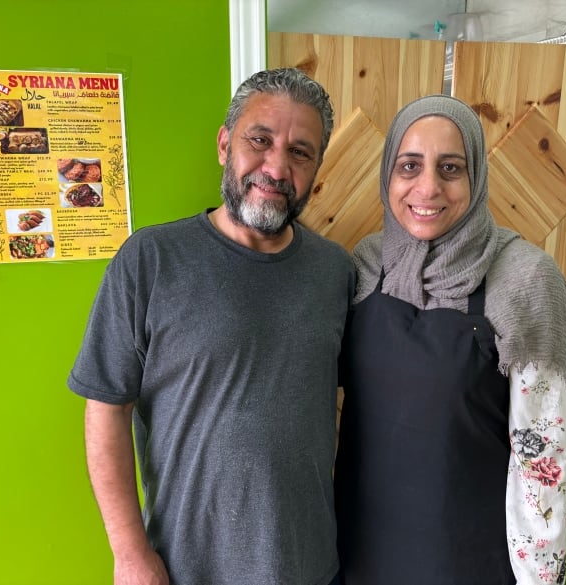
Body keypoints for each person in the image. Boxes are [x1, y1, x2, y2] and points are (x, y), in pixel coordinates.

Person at [67, 67, 354, 585]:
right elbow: (105, 411)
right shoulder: (150, 261)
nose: (276, 166)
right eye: (259, 140)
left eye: (299, 152)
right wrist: (130, 555)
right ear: (225, 144)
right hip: (186, 568)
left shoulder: (336, 272)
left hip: (311, 567)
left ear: (316, 168)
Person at [333, 95, 566, 585]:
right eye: (409, 166)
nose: (428, 187)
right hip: (359, 548)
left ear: (476, 178)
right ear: (388, 176)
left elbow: (543, 460)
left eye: (451, 168)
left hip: (467, 559)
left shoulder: (526, 279)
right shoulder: (366, 264)